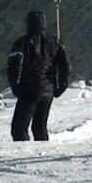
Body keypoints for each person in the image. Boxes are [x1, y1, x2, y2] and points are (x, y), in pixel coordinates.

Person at [7, 11, 70, 141]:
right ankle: (41, 154)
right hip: (48, 91)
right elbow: (65, 65)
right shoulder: (54, 43)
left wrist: (15, 86)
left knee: (19, 128)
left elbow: (14, 66)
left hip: (28, 89)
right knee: (39, 127)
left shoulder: (22, 42)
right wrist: (61, 85)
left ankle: (23, 153)